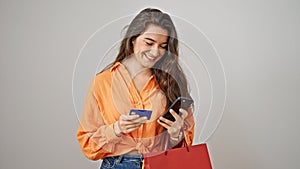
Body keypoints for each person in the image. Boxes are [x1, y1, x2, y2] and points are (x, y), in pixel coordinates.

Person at [76, 8, 195, 169]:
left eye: (162, 46)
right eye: (149, 42)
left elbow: (184, 144)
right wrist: (117, 129)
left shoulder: (171, 82)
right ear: (133, 39)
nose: (155, 52)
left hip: (158, 164)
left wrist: (175, 135)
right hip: (117, 165)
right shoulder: (103, 82)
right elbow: (87, 144)